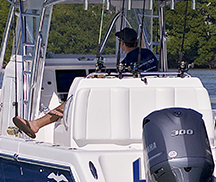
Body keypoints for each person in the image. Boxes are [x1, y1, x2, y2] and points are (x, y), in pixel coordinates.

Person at [12, 27, 158, 139]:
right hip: (145, 96)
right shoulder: (149, 54)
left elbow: (122, 79)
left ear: (122, 43)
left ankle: (37, 124)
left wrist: (99, 77)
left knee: (73, 99)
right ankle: (44, 120)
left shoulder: (127, 61)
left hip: (124, 99)